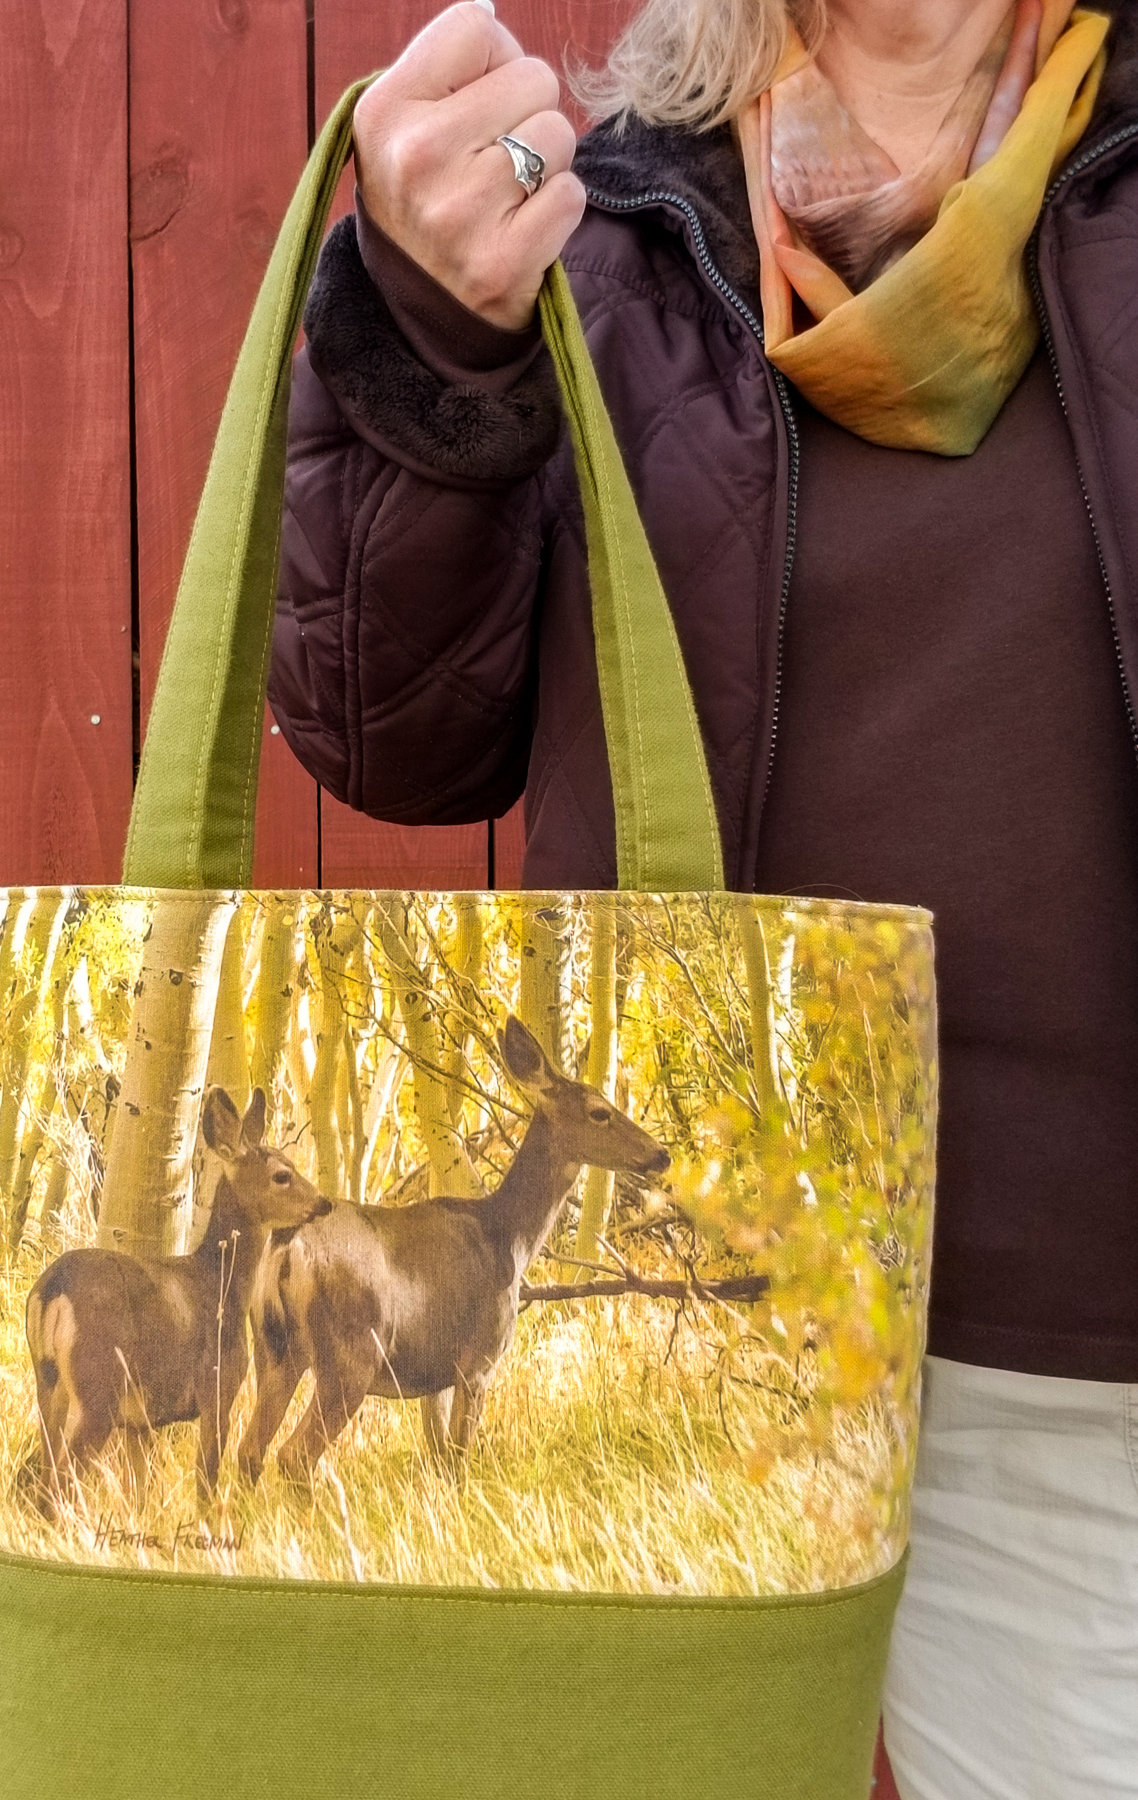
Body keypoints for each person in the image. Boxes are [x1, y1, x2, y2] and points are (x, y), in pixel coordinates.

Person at [269, 1, 1138, 1792]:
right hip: (691, 1329)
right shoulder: (602, 223)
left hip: (1082, 1362)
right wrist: (432, 338)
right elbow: (392, 738)